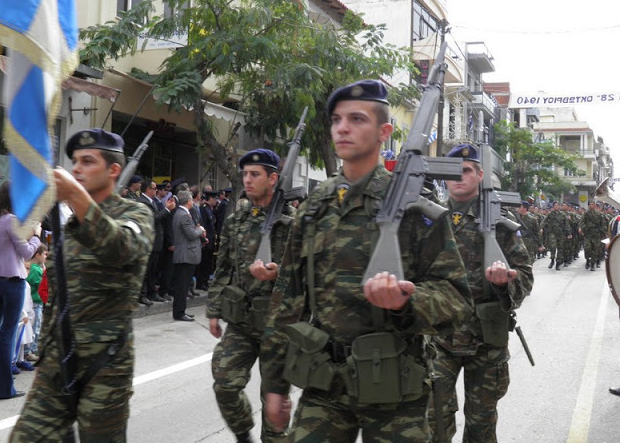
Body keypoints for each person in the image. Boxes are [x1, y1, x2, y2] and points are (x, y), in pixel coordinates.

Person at [261, 80, 473, 443]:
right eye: (337, 119)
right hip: (324, 381)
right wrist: (275, 384)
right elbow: (287, 301)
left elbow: (456, 297)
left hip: (395, 387)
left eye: (357, 119)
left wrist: (408, 301)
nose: (342, 127)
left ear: (383, 132)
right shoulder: (313, 209)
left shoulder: (415, 210)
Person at [10, 128, 154, 442]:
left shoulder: (136, 213)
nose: (77, 169)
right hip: (58, 358)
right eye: (75, 161)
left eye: (88, 161)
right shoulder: (70, 225)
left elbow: (122, 246)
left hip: (104, 363)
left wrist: (75, 195)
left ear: (113, 170)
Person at [428, 143, 533, 443]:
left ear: (480, 174)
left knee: (481, 425)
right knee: (434, 421)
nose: (459, 177)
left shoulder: (501, 225)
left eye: (466, 170)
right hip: (439, 339)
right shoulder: (428, 220)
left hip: (486, 341)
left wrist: (505, 284)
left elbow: (524, 276)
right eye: (452, 172)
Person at [207, 149, 293, 443]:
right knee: (225, 383)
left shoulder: (292, 224)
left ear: (273, 178)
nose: (247, 180)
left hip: (278, 326)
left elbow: (307, 274)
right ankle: (244, 435)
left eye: (254, 174)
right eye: (245, 174)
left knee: (274, 403)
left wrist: (277, 272)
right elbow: (223, 268)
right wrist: (214, 309)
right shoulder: (236, 221)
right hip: (242, 322)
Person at [0, 182, 42, 399]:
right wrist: (36, 235)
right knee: (7, 331)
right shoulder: (11, 220)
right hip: (12, 280)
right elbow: (26, 253)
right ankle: (3, 388)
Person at [172, 190, 205, 322]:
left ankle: (181, 310)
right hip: (185, 254)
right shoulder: (183, 215)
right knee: (182, 286)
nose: (192, 201)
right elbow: (191, 234)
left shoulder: (180, 213)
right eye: (191, 199)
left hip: (184, 253)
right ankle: (179, 312)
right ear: (188, 201)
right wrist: (200, 230)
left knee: (183, 285)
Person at [25, 244, 48, 361]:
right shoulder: (35, 270)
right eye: (45, 254)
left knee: (35, 326)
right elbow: (41, 285)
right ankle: (30, 350)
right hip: (35, 302)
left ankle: (32, 348)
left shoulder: (35, 268)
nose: (46, 257)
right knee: (35, 327)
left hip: (36, 302)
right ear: (37, 255)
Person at [196, 190, 218, 292]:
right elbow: (203, 225)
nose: (216, 201)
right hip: (206, 240)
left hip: (211, 239)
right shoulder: (204, 209)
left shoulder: (210, 209)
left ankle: (205, 281)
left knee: (208, 262)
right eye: (215, 199)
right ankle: (201, 282)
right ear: (211, 199)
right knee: (204, 262)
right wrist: (203, 239)